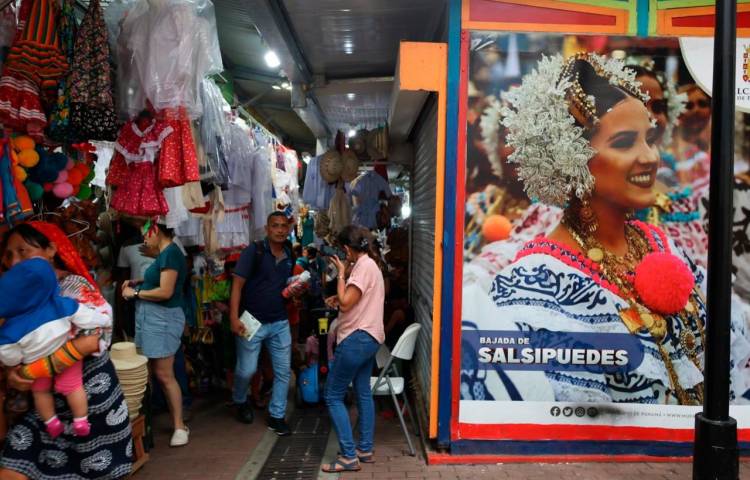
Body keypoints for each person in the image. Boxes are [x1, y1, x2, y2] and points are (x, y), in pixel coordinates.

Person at [462, 53, 750, 406]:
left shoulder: (662, 244)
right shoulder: (535, 287)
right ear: (569, 156)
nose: (650, 157)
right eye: (625, 142)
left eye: (650, 137)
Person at [0, 222, 132, 479]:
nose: (15, 261)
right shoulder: (14, 300)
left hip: (90, 403)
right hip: (44, 406)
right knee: (13, 464)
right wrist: (13, 371)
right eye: (8, 255)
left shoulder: (72, 287)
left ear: (51, 250)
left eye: (23, 251)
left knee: (91, 470)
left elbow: (89, 341)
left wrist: (26, 371)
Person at [0, 258, 109, 439]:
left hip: (35, 363)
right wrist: (103, 320)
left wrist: (15, 362)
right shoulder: (59, 304)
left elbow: (7, 352)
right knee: (73, 387)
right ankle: (81, 421)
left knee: (40, 391)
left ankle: (51, 423)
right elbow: (84, 316)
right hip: (66, 354)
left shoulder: (12, 326)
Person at [321, 225, 385, 473]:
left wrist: (340, 275)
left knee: (333, 395)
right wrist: (340, 297)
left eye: (342, 249)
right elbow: (356, 300)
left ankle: (349, 456)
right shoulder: (370, 266)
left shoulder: (361, 267)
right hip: (369, 337)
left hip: (356, 338)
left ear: (347, 248)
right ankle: (365, 448)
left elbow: (347, 304)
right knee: (362, 392)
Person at [121, 220, 189, 447]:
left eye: (145, 234)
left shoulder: (170, 253)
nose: (144, 239)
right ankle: (153, 425)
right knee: (151, 372)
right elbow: (159, 281)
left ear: (155, 230)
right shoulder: (166, 253)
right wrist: (139, 282)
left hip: (162, 318)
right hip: (152, 317)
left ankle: (179, 426)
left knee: (164, 375)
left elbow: (165, 291)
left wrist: (136, 293)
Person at [229, 211, 294, 435]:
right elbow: (237, 285)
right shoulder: (254, 251)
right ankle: (239, 400)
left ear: (288, 229)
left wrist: (295, 290)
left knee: (283, 371)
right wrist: (233, 317)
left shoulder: (289, 253)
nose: (280, 230)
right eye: (275, 225)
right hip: (251, 322)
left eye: (284, 226)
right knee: (247, 370)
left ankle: (277, 416)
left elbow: (283, 286)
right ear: (267, 229)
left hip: (279, 322)